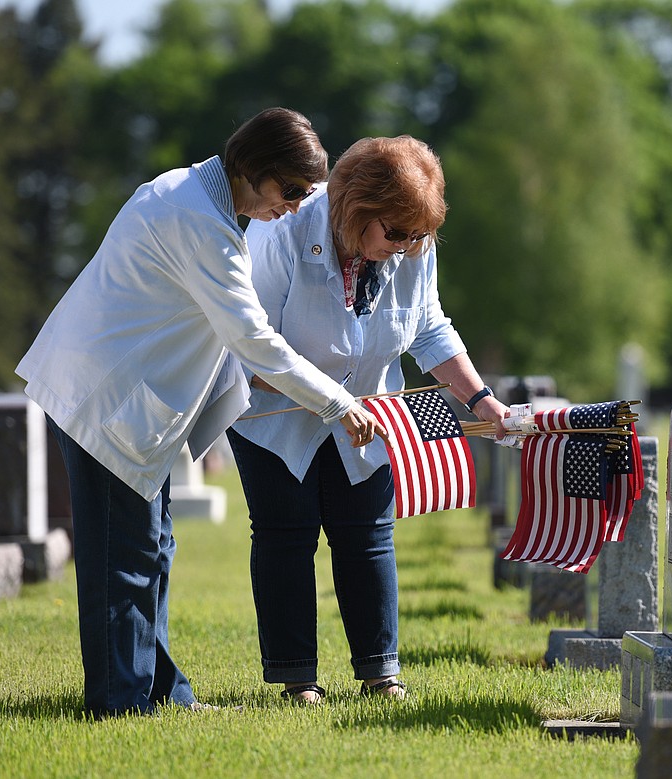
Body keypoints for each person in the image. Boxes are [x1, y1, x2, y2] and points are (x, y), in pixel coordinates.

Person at [16, 108, 389, 717]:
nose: (296, 207)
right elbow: (253, 339)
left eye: (306, 194)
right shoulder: (198, 220)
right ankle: (121, 703)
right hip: (105, 397)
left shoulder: (200, 196)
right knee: (124, 557)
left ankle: (163, 691)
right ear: (253, 169)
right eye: (291, 190)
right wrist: (340, 402)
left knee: (152, 548)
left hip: (126, 396)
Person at [228, 135, 508, 704]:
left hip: (374, 413)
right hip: (276, 412)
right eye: (395, 232)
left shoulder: (414, 245)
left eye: (418, 235)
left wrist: (482, 400)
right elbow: (253, 345)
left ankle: (381, 674)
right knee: (287, 535)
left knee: (369, 536)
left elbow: (428, 329)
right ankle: (295, 678)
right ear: (354, 210)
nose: (407, 246)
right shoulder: (283, 232)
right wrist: (328, 397)